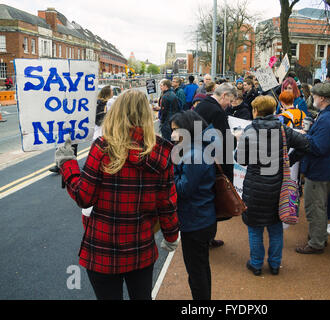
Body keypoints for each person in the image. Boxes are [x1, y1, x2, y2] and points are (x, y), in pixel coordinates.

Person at [55, 89, 180, 300]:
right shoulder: (161, 152)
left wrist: (67, 164)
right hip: (141, 247)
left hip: (103, 248)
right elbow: (166, 203)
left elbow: (84, 197)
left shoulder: (103, 148)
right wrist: (171, 236)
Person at [235, 95, 309, 275]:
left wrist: (239, 141)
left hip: (255, 186)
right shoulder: (283, 129)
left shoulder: (250, 130)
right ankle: (275, 265)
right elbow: (305, 145)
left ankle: (256, 264)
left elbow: (240, 159)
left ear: (255, 111)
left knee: (255, 228)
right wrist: (289, 161)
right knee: (276, 228)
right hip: (278, 186)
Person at [296, 83, 330, 254]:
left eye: (314, 96)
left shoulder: (327, 118)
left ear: (322, 98)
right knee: (321, 205)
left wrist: (304, 137)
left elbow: (319, 147)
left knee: (315, 206)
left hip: (321, 169)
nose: (313, 99)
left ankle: (316, 242)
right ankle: (319, 238)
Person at [170, 110, 217, 300]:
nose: (172, 134)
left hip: (196, 219)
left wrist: (169, 177)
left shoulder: (194, 153)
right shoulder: (198, 148)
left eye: (176, 130)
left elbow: (183, 189)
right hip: (201, 216)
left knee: (196, 272)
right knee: (201, 268)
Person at [194, 82, 238, 248]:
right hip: (213, 162)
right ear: (224, 95)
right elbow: (225, 143)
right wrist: (235, 138)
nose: (230, 105)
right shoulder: (217, 112)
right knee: (213, 202)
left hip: (199, 158)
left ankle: (204, 238)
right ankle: (208, 238)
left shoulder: (201, 106)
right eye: (230, 100)